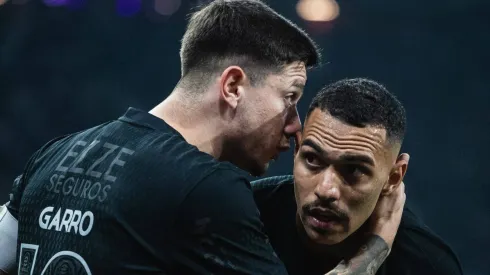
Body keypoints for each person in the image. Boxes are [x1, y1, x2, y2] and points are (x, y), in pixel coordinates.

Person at [0, 0, 403, 274]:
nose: (295, 124)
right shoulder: (205, 187)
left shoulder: (52, 154)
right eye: (290, 97)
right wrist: (376, 247)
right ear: (233, 86)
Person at [252, 78, 464, 275]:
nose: (326, 190)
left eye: (353, 170)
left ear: (393, 178)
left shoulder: (427, 265)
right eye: (313, 160)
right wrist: (373, 251)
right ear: (296, 151)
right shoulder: (242, 212)